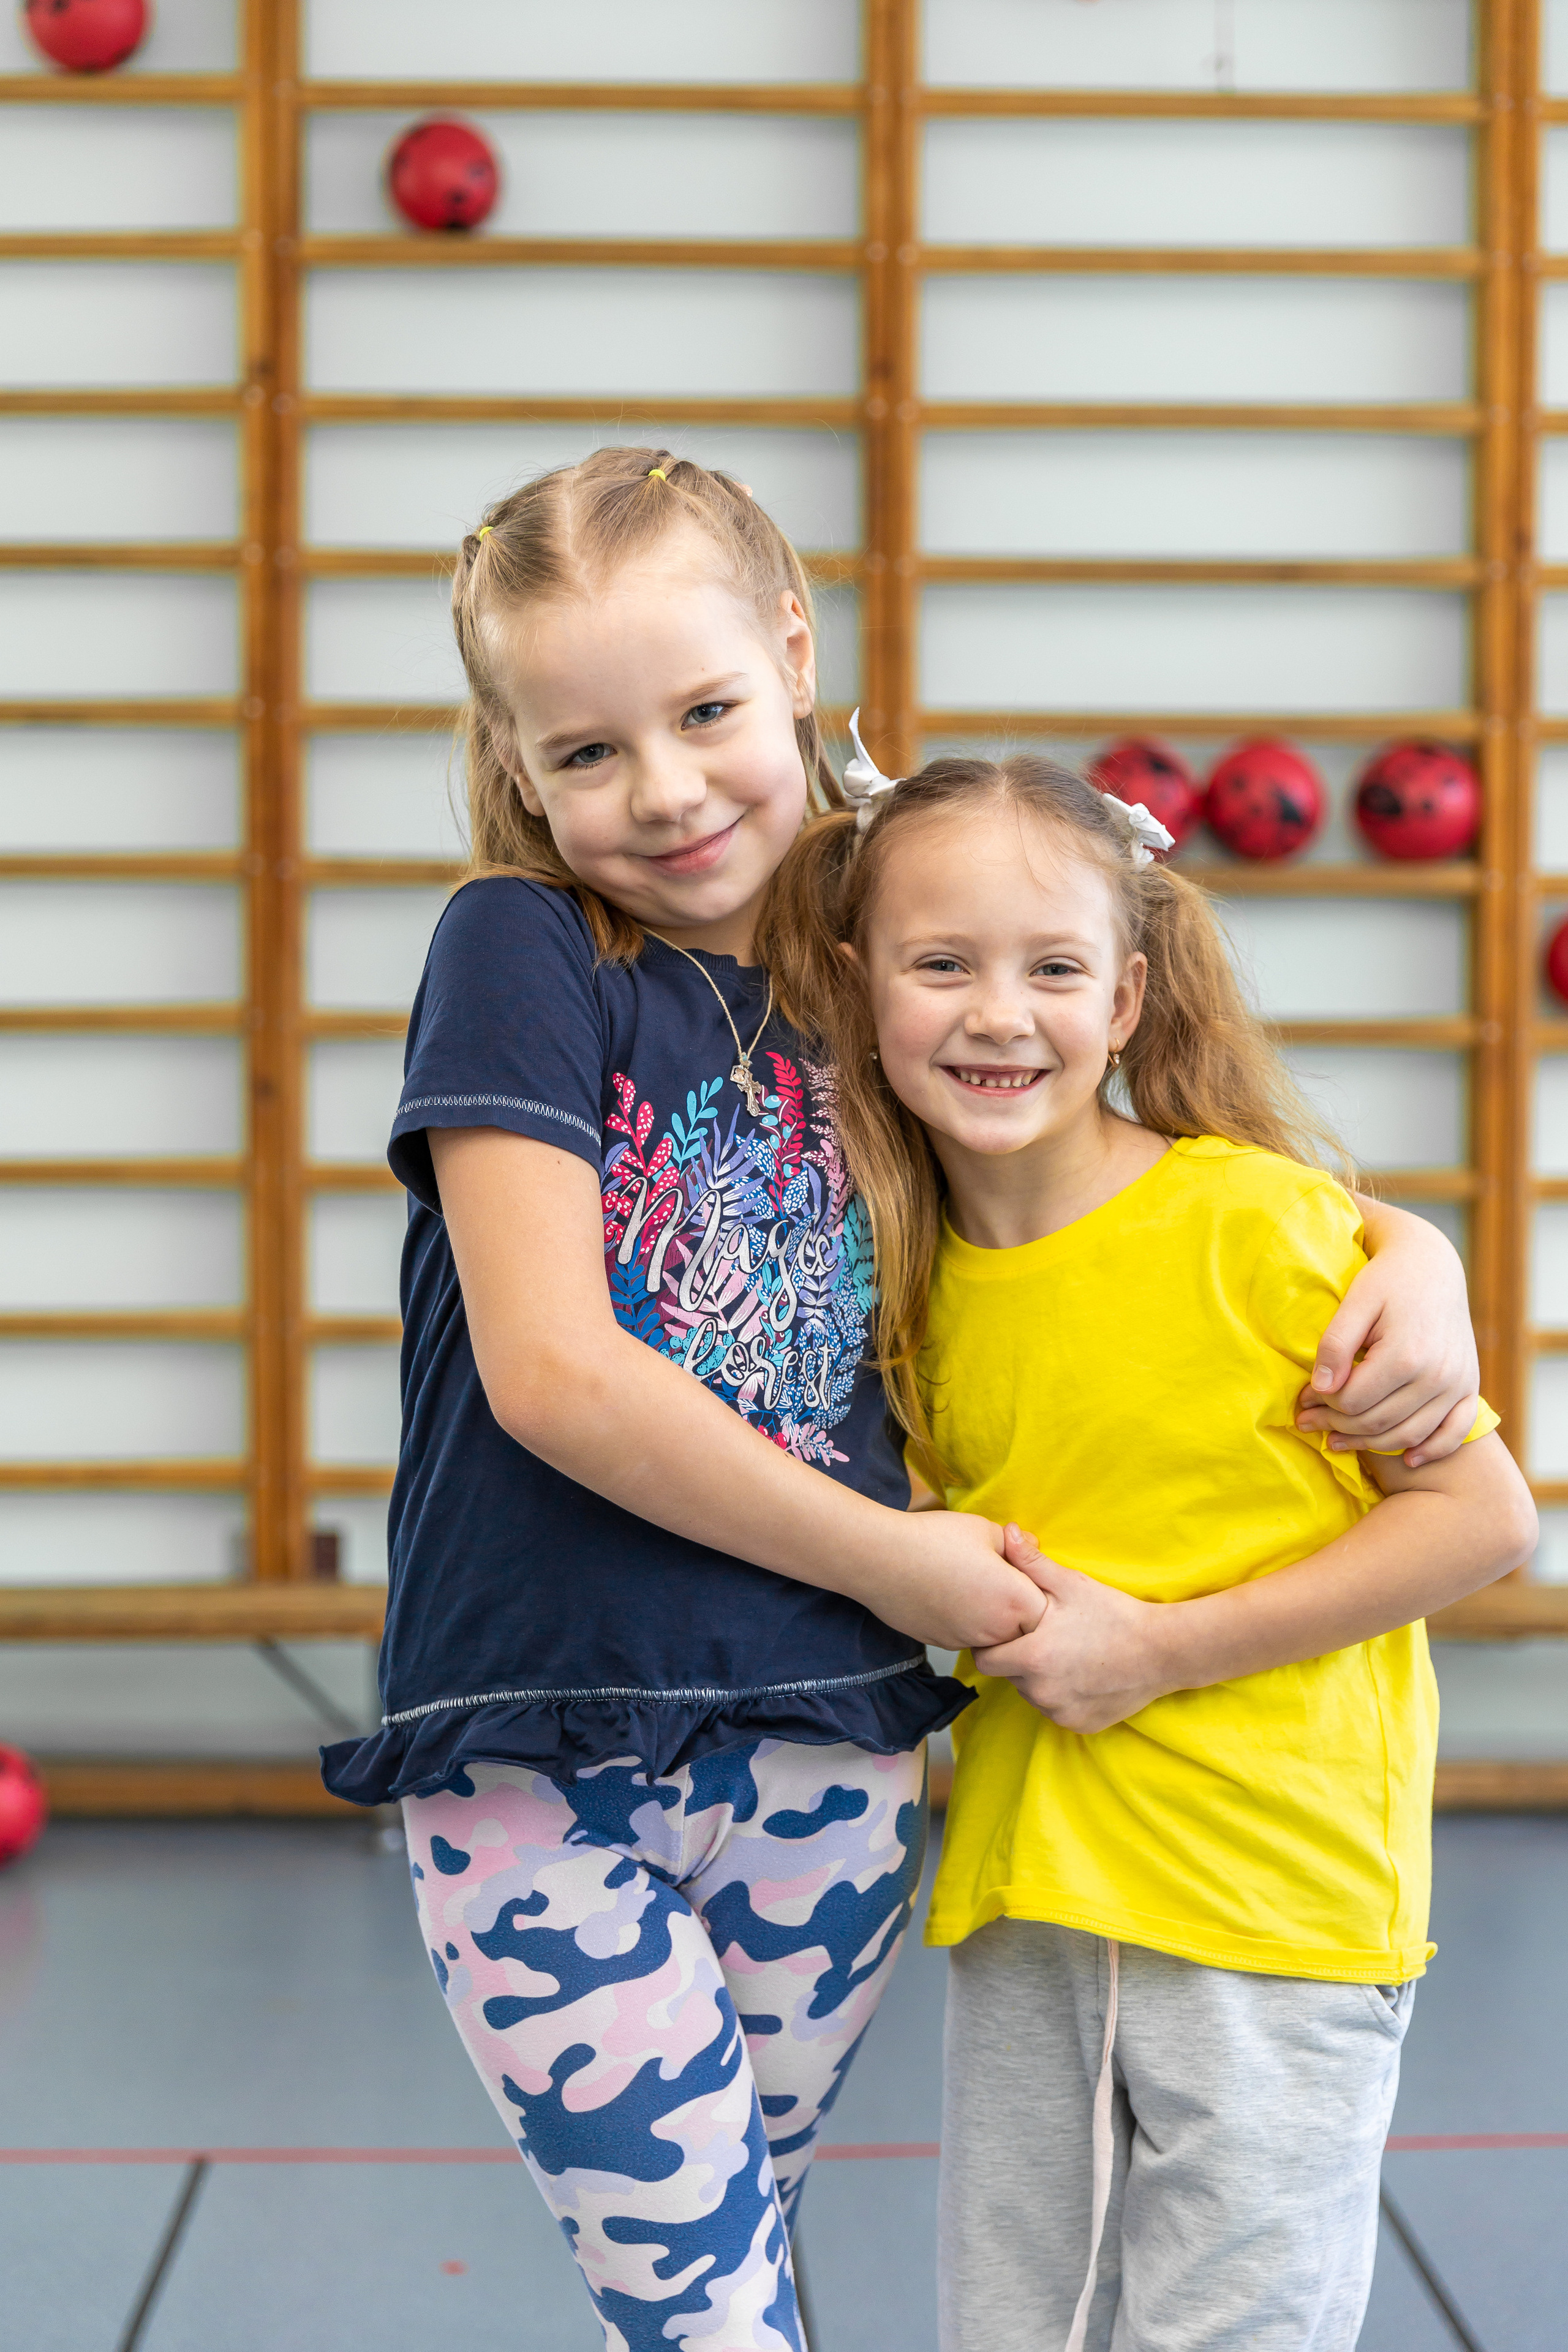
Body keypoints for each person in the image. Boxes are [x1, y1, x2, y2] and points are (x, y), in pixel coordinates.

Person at [321, 449, 1483, 2352]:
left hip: (828, 1758)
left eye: (705, 713)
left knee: (750, 2267)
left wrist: (1404, 1256)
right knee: (705, 2315)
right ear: (518, 766)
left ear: (795, 654)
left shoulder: (872, 962)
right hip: (546, 1747)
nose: (670, 787)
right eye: (590, 751)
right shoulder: (527, 949)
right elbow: (550, 1374)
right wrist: (909, 1564)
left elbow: (1125, 1165)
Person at [771, 742, 1536, 2352]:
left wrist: (1158, 1651)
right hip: (1034, 1895)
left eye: (1053, 968)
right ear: (863, 986)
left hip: (1270, 1904)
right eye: (943, 965)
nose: (999, 1013)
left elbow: (1481, 1517)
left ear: (1124, 1002)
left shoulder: (1253, 1223)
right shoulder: (892, 1285)